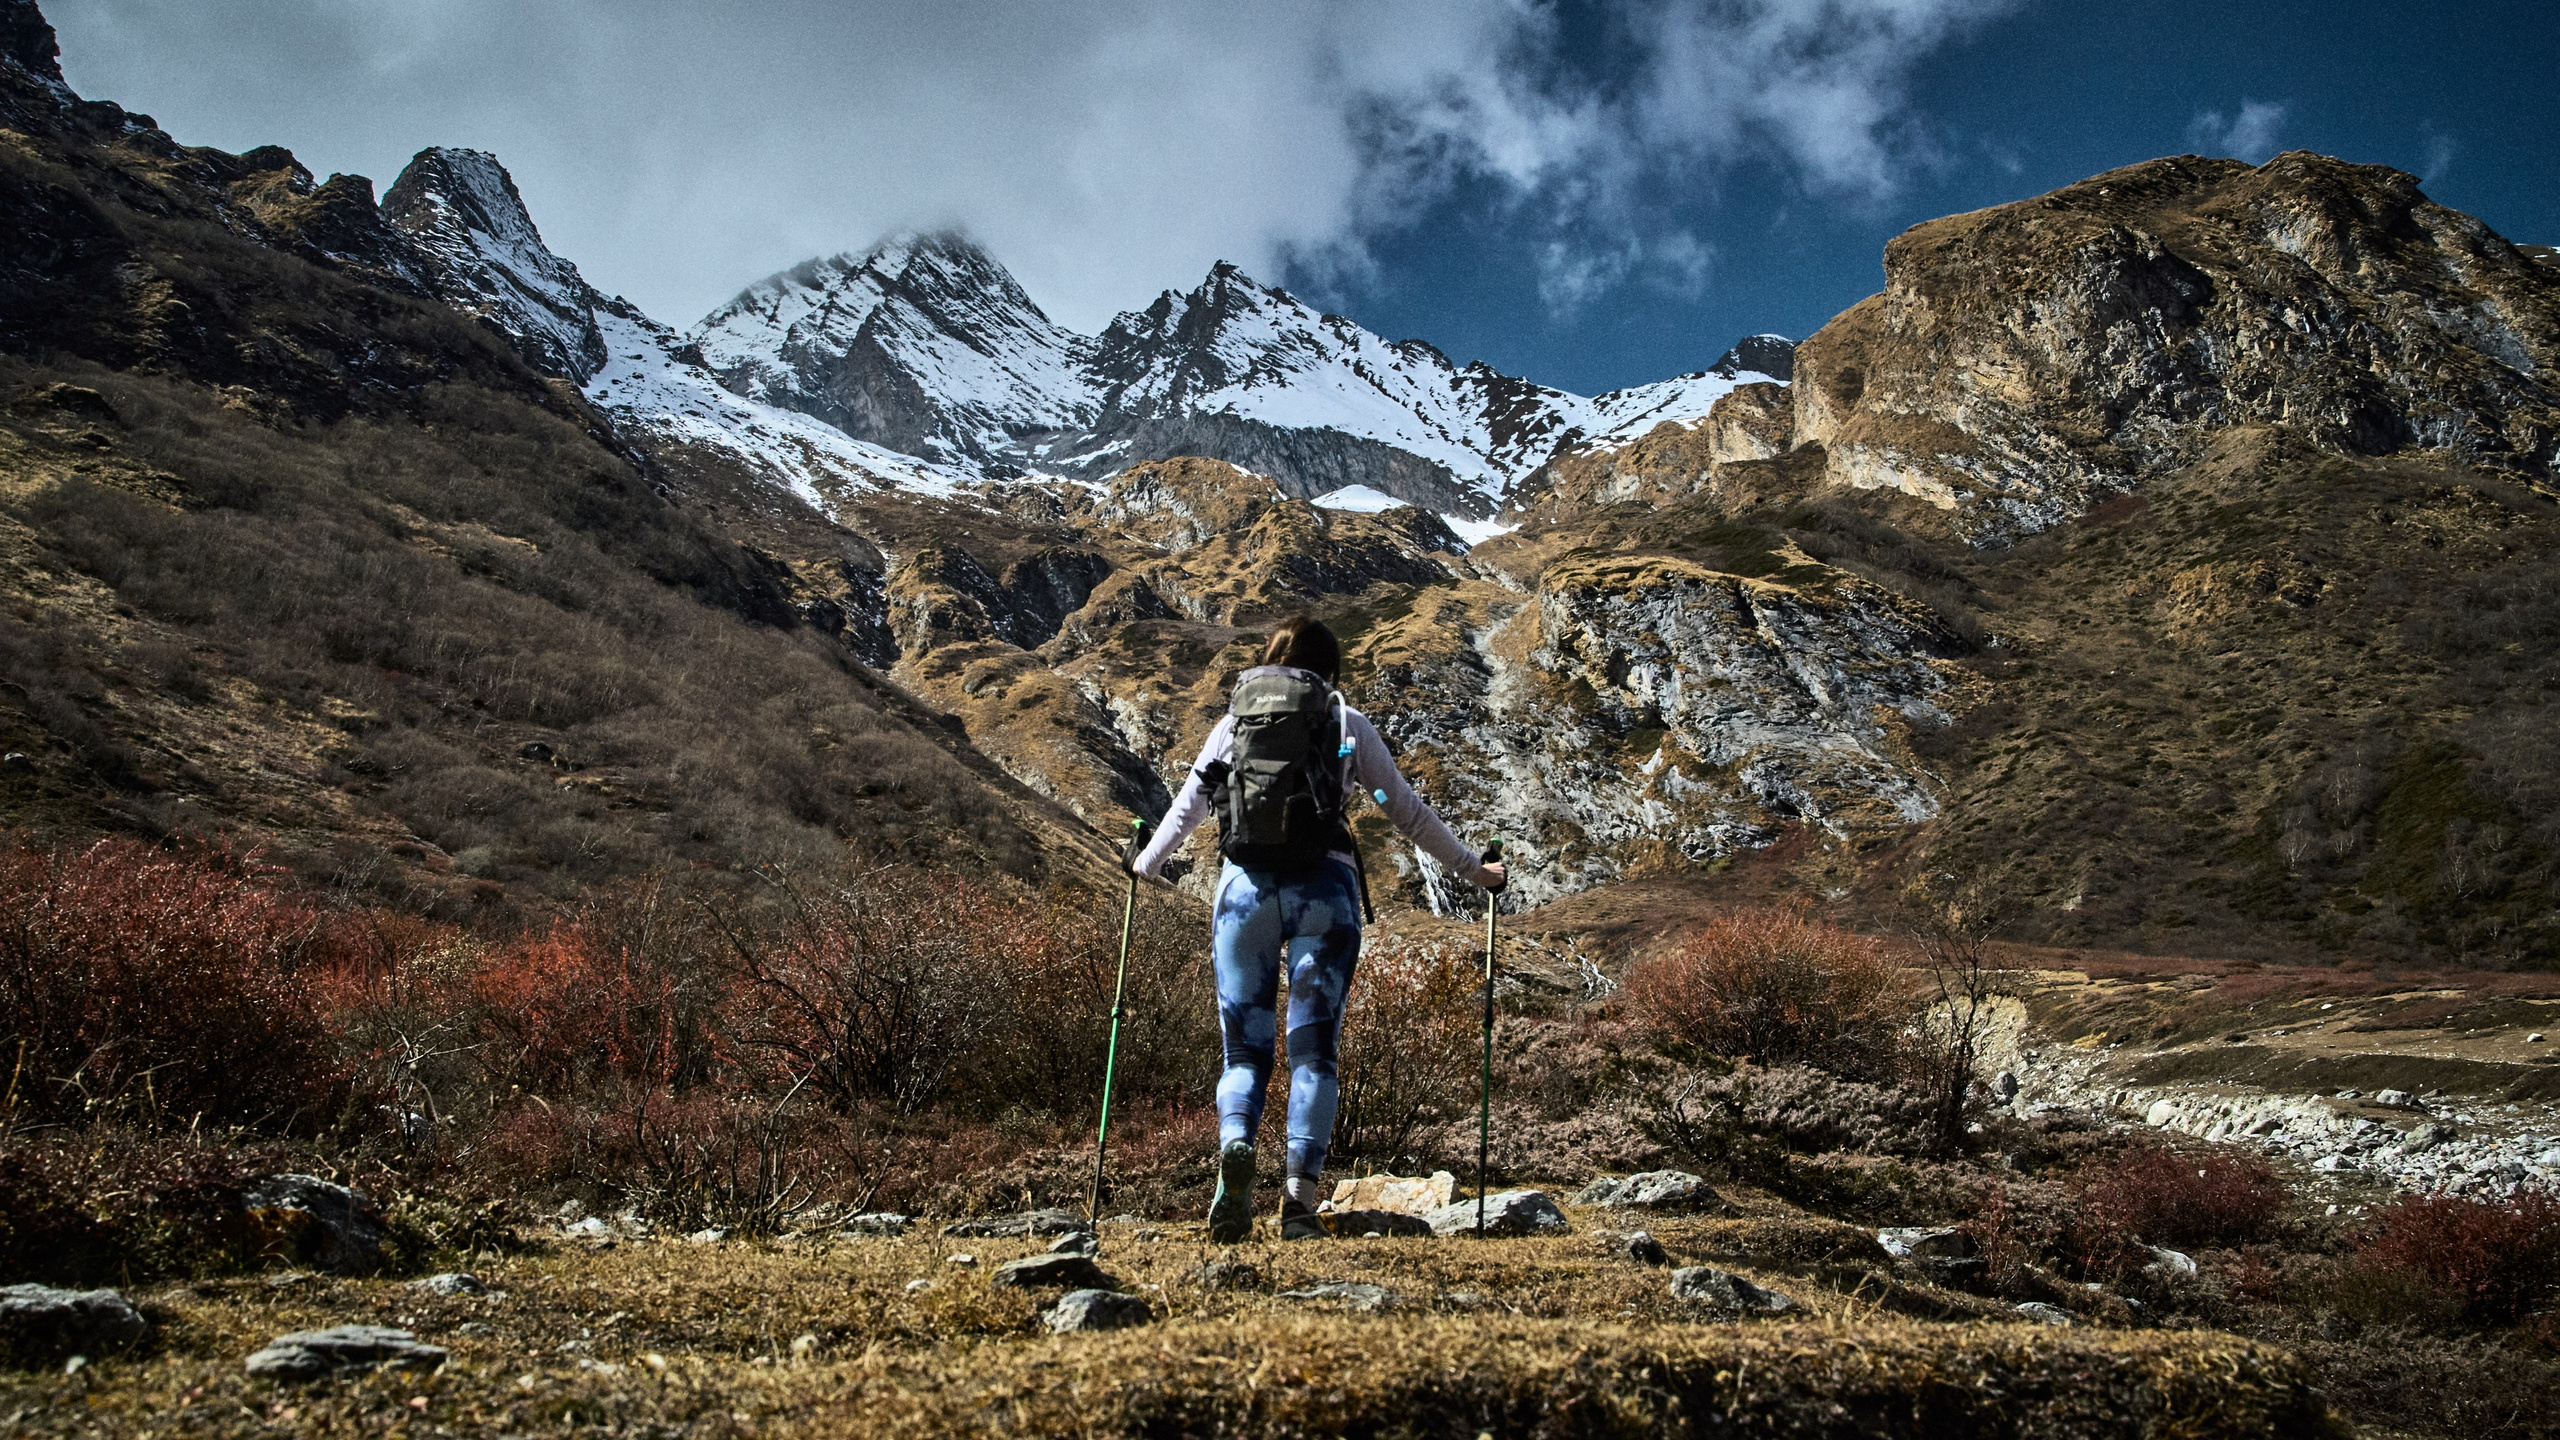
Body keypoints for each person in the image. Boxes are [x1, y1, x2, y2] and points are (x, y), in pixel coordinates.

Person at [1129, 614, 1506, 1242]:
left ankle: (1235, 1152)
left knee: (1244, 1053)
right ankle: (1299, 1202)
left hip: (1242, 896)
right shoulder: (1342, 724)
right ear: (1329, 669)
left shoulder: (1234, 724)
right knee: (1313, 1054)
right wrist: (1476, 871)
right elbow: (1402, 811)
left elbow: (1190, 807)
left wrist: (1144, 862)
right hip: (1324, 899)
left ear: (1274, 658)